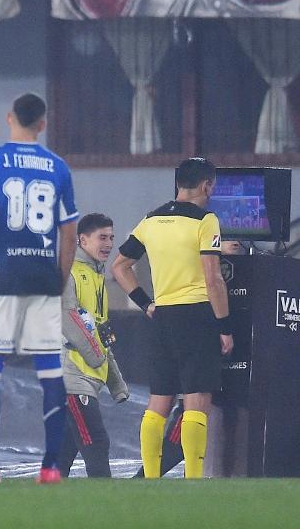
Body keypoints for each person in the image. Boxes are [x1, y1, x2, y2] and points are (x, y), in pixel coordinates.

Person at [0, 93, 78, 485]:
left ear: (9, 118)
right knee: (50, 369)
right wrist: (59, 275)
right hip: (42, 276)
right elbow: (70, 233)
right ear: (42, 123)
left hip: (0, 278)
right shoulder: (58, 167)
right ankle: (51, 467)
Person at [112, 157, 233, 479]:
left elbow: (120, 266)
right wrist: (224, 326)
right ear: (207, 186)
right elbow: (213, 280)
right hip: (196, 315)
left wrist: (147, 303)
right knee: (197, 399)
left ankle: (150, 479)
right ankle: (193, 480)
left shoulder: (151, 220)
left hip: (162, 316)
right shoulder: (205, 220)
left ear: (178, 183)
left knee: (158, 402)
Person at [58, 213, 129, 478]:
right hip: (72, 378)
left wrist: (116, 383)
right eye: (102, 237)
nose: (109, 244)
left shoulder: (97, 277)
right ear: (82, 240)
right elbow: (68, 319)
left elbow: (100, 333)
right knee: (96, 442)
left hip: (88, 377)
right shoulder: (69, 272)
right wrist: (98, 357)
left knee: (63, 454)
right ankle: (106, 509)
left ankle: (41, 509)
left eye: (111, 237)